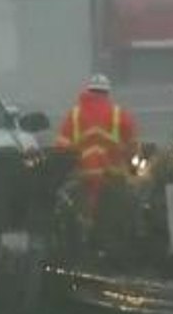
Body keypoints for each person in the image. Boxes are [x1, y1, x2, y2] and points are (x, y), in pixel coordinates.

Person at [54, 73, 138, 250]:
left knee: (81, 219)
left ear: (88, 91)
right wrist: (128, 164)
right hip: (112, 177)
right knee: (115, 220)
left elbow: (61, 147)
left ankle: (84, 247)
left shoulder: (74, 115)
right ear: (107, 93)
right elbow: (132, 145)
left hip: (81, 178)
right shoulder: (118, 114)